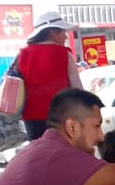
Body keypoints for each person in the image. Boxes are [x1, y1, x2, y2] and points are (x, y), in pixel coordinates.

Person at [16, 10, 81, 141]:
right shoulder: (64, 54)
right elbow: (77, 88)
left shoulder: (22, 54)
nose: (65, 36)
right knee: (61, 153)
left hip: (31, 117)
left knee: (39, 154)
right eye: (63, 32)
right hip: (60, 116)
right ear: (52, 32)